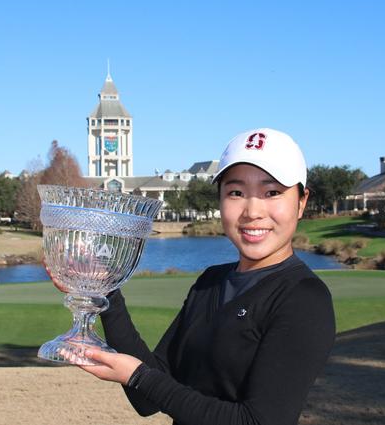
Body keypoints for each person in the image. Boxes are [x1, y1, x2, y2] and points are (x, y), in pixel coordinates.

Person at [62, 128, 336, 425]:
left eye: (272, 192)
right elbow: (147, 398)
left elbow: (257, 421)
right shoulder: (210, 282)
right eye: (236, 192)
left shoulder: (304, 299)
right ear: (220, 200)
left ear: (301, 201)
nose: (252, 211)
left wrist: (139, 376)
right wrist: (108, 294)